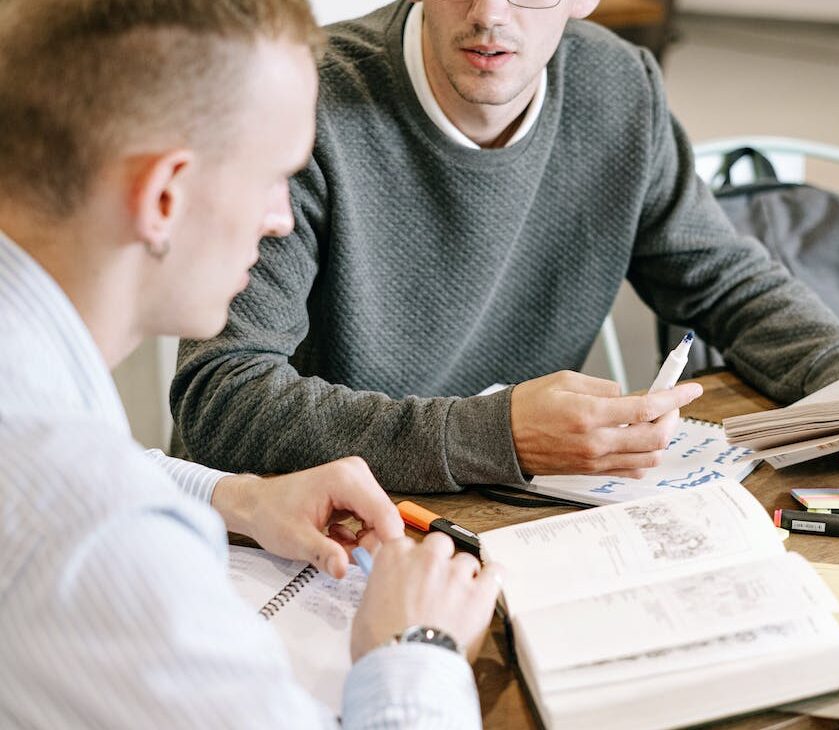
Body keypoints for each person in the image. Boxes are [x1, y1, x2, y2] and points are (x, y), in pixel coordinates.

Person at [0, 1, 500, 727]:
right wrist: (415, 646)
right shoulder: (94, 532)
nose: (282, 218)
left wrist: (234, 496)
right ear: (164, 196)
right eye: (274, 177)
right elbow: (74, 497)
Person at [171, 0, 839, 493]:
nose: (490, 13)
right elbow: (220, 400)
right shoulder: (306, 100)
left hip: (513, 513)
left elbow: (723, 281)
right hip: (304, 531)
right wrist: (494, 435)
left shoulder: (619, 87)